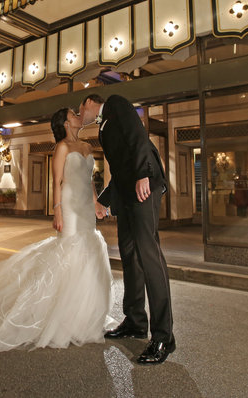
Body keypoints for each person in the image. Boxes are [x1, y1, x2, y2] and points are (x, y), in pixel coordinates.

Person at [0, 108, 112, 352]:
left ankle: (83, 313)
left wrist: (96, 202)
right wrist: (57, 211)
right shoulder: (61, 147)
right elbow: (58, 182)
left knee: (88, 250)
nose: (78, 114)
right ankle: (54, 314)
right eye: (73, 114)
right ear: (66, 123)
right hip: (69, 205)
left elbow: (89, 180)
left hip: (86, 208)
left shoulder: (88, 147)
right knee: (69, 251)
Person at [79, 93, 175, 365]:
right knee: (129, 255)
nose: (80, 115)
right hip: (129, 195)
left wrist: (145, 171)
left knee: (149, 256)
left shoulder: (116, 103)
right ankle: (135, 321)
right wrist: (103, 202)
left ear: (89, 102)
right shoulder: (103, 126)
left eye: (80, 109)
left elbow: (138, 136)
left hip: (144, 188)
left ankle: (164, 337)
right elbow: (119, 171)